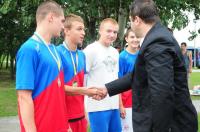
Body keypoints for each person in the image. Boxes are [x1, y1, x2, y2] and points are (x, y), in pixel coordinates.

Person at [94, 0, 198, 132]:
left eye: (130, 21)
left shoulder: (157, 42)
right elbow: (138, 74)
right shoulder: (156, 37)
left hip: (172, 124)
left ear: (136, 19)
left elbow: (162, 93)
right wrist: (107, 89)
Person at [16, 1, 69, 132]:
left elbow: (59, 90)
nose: (63, 26)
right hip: (41, 126)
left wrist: (65, 124)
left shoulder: (55, 50)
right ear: (51, 17)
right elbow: (23, 97)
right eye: (62, 21)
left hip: (59, 125)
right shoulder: (29, 49)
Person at [57, 14, 97, 132]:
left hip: (80, 116)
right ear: (67, 31)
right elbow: (57, 89)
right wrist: (85, 90)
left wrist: (84, 113)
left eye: (83, 29)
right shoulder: (57, 53)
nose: (83, 33)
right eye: (79, 29)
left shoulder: (82, 55)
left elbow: (80, 84)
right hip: (64, 117)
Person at [83, 18, 122, 132]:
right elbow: (83, 78)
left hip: (113, 105)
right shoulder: (90, 50)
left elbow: (115, 78)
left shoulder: (115, 52)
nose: (112, 35)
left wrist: (119, 104)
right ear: (100, 31)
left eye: (115, 32)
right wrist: (84, 107)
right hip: (97, 106)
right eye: (108, 31)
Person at [119, 28, 140, 132]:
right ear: (126, 39)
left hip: (140, 102)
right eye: (132, 37)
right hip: (126, 103)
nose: (135, 39)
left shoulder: (142, 55)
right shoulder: (122, 57)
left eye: (137, 37)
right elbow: (118, 83)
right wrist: (120, 105)